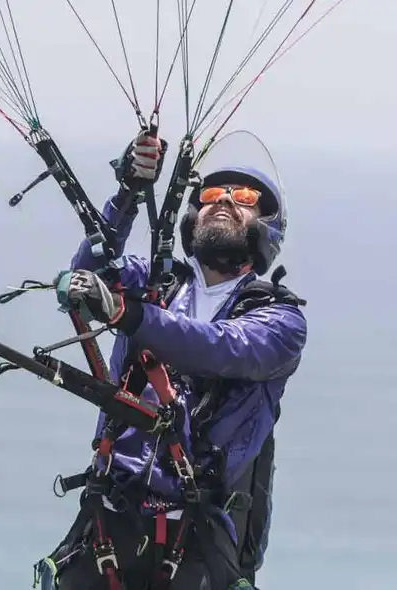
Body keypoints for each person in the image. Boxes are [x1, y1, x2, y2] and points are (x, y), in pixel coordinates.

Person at [40, 131, 307, 590]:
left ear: (267, 227)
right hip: (111, 518)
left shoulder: (280, 319)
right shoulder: (153, 282)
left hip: (195, 538)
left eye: (243, 197)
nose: (223, 200)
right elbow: (89, 270)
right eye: (210, 194)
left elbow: (217, 348)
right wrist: (128, 190)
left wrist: (130, 313)